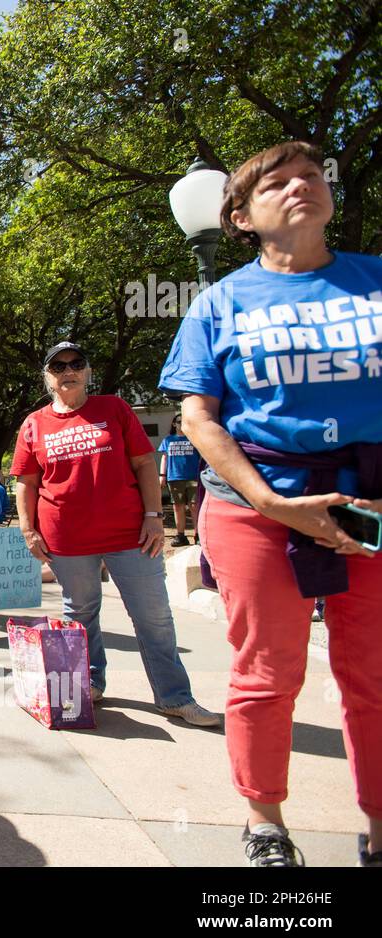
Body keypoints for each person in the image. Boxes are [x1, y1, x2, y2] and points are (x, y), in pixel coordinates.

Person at [159, 141, 382, 867]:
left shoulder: (374, 282)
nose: (300, 188)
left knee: (372, 673)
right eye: (276, 184)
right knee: (267, 670)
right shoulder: (218, 304)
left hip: (368, 504)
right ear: (241, 218)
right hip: (256, 507)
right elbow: (199, 418)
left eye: (311, 177)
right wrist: (272, 503)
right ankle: (266, 827)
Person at [12, 341, 221, 729]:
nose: (68, 371)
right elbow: (25, 482)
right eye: (59, 366)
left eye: (77, 363)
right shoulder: (34, 423)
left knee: (154, 617)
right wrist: (28, 530)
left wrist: (154, 515)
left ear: (88, 371)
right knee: (80, 614)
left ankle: (175, 698)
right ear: (48, 377)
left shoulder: (114, 408)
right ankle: (89, 684)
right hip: (67, 538)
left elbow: (144, 463)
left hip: (130, 534)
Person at [158, 413, 201, 546]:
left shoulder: (194, 438)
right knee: (178, 507)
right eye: (178, 421)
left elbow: (201, 458)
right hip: (175, 478)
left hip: (193, 477)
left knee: (194, 506)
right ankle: (181, 535)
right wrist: (162, 476)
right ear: (174, 424)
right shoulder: (168, 440)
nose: (181, 424)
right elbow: (164, 458)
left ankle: (198, 535)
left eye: (183, 421)